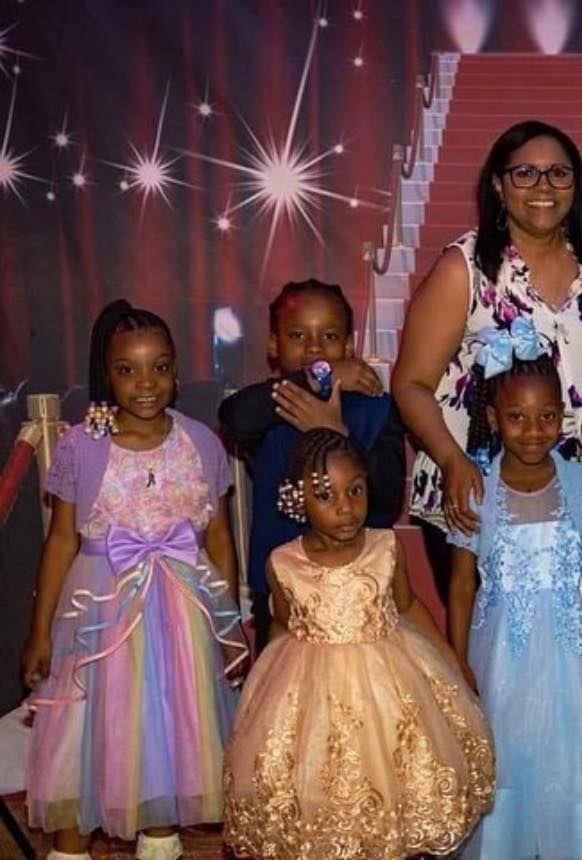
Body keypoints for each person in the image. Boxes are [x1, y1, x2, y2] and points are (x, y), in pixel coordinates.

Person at [21, 300, 248, 860]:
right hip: (100, 617)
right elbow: (62, 539)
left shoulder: (200, 441)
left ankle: (160, 842)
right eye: (128, 370)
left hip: (182, 621)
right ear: (107, 374)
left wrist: (229, 624)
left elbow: (219, 539)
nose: (146, 383)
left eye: (160, 367)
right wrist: (41, 630)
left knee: (170, 733)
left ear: (176, 371)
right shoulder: (82, 444)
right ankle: (70, 849)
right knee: (87, 732)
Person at [393, 120, 582, 602]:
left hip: (573, 495)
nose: (543, 187)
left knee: (570, 637)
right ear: (497, 185)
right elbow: (410, 384)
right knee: (489, 637)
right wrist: (453, 462)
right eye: (525, 173)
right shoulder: (463, 268)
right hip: (475, 493)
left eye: (558, 174)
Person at [222, 428, 495, 860]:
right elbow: (283, 628)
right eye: (326, 496)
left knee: (394, 782)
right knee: (322, 792)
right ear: (298, 499)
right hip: (313, 698)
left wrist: (453, 662)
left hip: (389, 689)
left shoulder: (386, 547)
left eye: (355, 490)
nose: (346, 507)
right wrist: (262, 693)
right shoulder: (283, 562)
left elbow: (409, 606)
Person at [446, 326, 582, 859]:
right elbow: (461, 584)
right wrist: (457, 662)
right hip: (502, 659)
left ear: (562, 417)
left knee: (574, 758)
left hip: (574, 658)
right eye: (517, 418)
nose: (533, 430)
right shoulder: (475, 490)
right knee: (509, 756)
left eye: (547, 416)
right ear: (493, 418)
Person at [218, 278, 404, 650]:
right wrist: (321, 376)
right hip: (284, 592)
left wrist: (337, 433)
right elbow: (234, 418)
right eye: (298, 335)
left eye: (329, 337)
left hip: (361, 592)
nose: (315, 348)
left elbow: (387, 496)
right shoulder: (272, 405)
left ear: (349, 346)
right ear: (274, 344)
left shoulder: (376, 408)